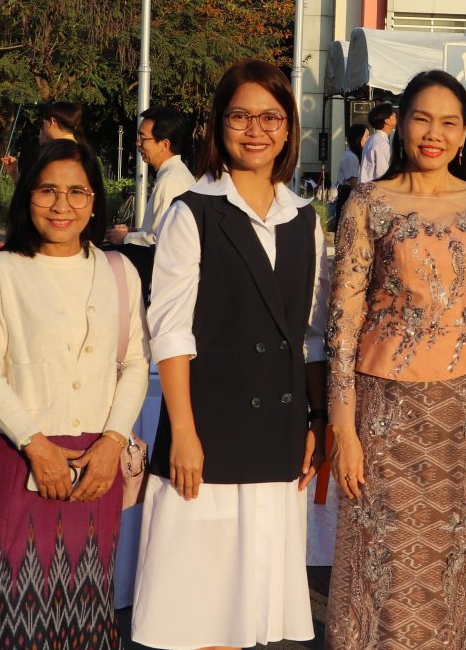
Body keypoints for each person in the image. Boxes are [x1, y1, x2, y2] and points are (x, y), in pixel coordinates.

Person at [132, 60, 330, 648]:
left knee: (249, 613)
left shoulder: (304, 220)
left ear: (289, 129)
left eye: (270, 117)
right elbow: (171, 333)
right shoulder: (192, 211)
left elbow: (311, 336)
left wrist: (317, 419)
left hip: (278, 435)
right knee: (200, 610)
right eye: (240, 116)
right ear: (219, 125)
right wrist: (184, 433)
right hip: (209, 433)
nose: (255, 130)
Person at [326, 70, 466, 650]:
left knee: (445, 561)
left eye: (449, 123)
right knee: (375, 555)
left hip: (462, 409)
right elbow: (342, 325)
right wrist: (343, 429)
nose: (435, 134)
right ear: (401, 123)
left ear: (465, 132)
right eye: (422, 119)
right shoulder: (367, 203)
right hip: (382, 406)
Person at [0, 138, 148, 650]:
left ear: (94, 201)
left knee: (84, 612)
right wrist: (35, 444)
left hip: (96, 467)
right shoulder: (0, 270)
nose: (61, 205)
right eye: (47, 190)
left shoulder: (119, 271)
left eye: (76, 192)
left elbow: (136, 361)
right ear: (27, 196)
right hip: (17, 456)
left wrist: (113, 442)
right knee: (11, 615)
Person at [112, 105, 193, 246]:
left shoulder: (170, 181)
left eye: (143, 138)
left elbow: (161, 239)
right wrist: (133, 231)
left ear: (164, 145)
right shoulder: (176, 174)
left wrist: (125, 238)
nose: (138, 143)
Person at [0, 100, 88, 179]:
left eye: (44, 121)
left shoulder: (56, 154)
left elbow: (36, 191)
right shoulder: (82, 153)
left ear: (52, 122)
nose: (43, 125)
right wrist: (15, 174)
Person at [330, 122, 368, 230]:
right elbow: (354, 184)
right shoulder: (351, 157)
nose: (368, 139)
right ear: (358, 138)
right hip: (348, 196)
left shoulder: (354, 155)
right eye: (367, 136)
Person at [356, 101, 396, 183]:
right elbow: (381, 174)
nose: (395, 115)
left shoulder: (374, 139)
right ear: (386, 120)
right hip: (373, 188)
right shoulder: (380, 142)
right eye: (392, 114)